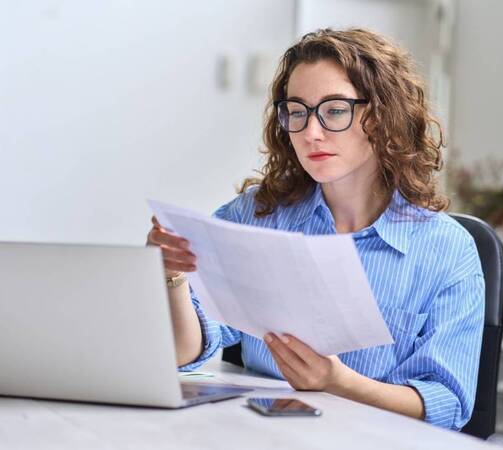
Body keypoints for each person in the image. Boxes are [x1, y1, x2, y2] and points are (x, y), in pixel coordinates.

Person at [146, 28, 484, 431]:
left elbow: (448, 403)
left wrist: (339, 383)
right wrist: (173, 276)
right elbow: (187, 352)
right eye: (298, 111)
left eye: (335, 110)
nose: (311, 132)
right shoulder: (254, 216)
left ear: (381, 117)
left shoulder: (447, 249)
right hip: (258, 435)